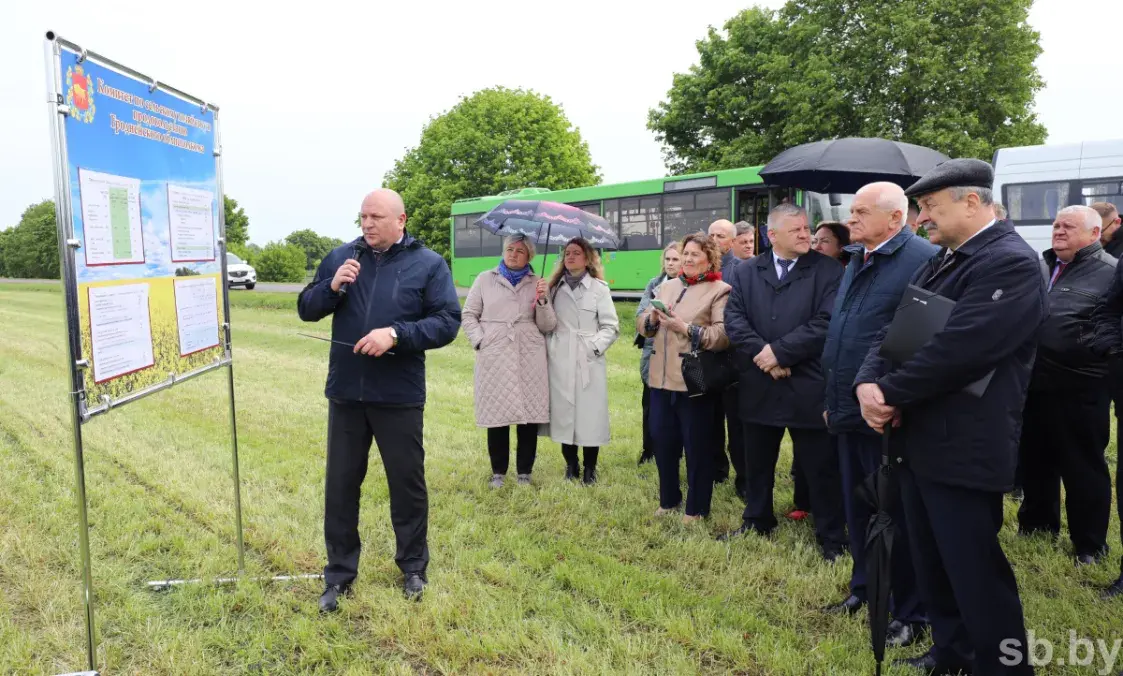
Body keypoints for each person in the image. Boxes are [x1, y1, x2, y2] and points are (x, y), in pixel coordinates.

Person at [855, 159, 1042, 675]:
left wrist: (888, 392)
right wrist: (867, 383)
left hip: (964, 442)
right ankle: (952, 653)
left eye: (931, 208)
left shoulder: (1010, 263)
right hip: (919, 439)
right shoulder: (943, 260)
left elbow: (964, 349)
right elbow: (896, 329)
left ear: (973, 202)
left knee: (974, 569)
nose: (921, 219)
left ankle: (1002, 666)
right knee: (934, 562)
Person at [297, 188, 461, 611]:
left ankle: (413, 568)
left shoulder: (428, 264)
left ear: (400, 220)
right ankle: (339, 575)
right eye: (363, 216)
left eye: (376, 217)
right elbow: (306, 308)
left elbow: (446, 322)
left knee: (406, 484)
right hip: (348, 392)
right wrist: (331, 288)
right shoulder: (340, 257)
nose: (367, 224)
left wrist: (396, 334)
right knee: (341, 485)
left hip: (399, 394)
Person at [820, 182, 934, 648]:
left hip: (884, 410)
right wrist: (832, 398)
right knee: (859, 506)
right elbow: (842, 331)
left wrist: (893, 400)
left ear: (895, 218)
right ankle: (865, 588)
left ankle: (911, 610)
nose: (853, 219)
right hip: (847, 403)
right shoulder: (857, 257)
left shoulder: (920, 259)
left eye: (863, 212)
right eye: (852, 211)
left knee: (896, 514)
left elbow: (916, 339)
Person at [719, 204, 848, 561]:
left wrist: (780, 353)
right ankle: (757, 518)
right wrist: (764, 354)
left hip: (807, 383)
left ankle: (831, 536)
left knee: (819, 466)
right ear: (772, 235)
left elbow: (827, 321)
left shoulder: (828, 271)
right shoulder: (746, 271)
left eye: (807, 229)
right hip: (760, 382)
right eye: (797, 231)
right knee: (757, 459)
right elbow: (735, 319)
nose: (806, 235)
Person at [1017, 206, 1115, 565]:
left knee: (1082, 466)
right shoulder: (1042, 266)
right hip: (1032, 383)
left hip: (1081, 387)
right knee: (1035, 460)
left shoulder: (1109, 272)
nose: (1058, 231)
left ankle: (1089, 545)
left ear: (1093, 233)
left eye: (1068, 227)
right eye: (1056, 225)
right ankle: (1038, 525)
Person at [639, 232, 731, 523]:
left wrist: (685, 328)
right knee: (663, 443)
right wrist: (650, 321)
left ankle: (697, 508)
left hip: (694, 382)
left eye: (695, 254)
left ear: (709, 259)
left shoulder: (720, 290)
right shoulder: (665, 287)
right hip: (660, 381)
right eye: (685, 253)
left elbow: (722, 337)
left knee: (697, 448)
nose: (688, 259)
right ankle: (669, 500)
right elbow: (643, 327)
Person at [460, 234, 553, 488]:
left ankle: (525, 472)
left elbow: (548, 325)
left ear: (529, 256)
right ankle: (498, 472)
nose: (513, 254)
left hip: (529, 354)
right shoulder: (484, 279)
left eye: (519, 251)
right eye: (509, 249)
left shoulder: (539, 283)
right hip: (495, 352)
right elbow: (468, 315)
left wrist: (543, 300)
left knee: (529, 417)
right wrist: (481, 340)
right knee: (497, 414)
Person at [537, 237, 619, 484]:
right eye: (566, 253)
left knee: (589, 415)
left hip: (588, 361)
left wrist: (592, 348)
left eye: (576, 253)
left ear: (587, 259)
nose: (570, 257)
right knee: (563, 415)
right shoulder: (553, 288)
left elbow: (611, 327)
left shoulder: (599, 289)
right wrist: (541, 300)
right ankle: (570, 465)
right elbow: (545, 325)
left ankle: (590, 469)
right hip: (559, 358)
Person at [636, 243, 683, 465]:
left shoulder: (688, 286)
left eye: (676, 259)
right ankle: (649, 450)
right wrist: (651, 317)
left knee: (678, 408)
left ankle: (677, 450)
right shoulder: (654, 284)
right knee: (650, 405)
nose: (671, 264)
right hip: (653, 352)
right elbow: (641, 314)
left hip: (679, 353)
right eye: (668, 259)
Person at [708, 218, 743, 488]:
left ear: (732, 241)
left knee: (737, 423)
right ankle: (717, 469)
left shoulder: (743, 270)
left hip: (734, 359)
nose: (715, 240)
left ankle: (743, 476)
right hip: (707, 356)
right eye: (712, 235)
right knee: (710, 419)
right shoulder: (701, 270)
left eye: (721, 236)